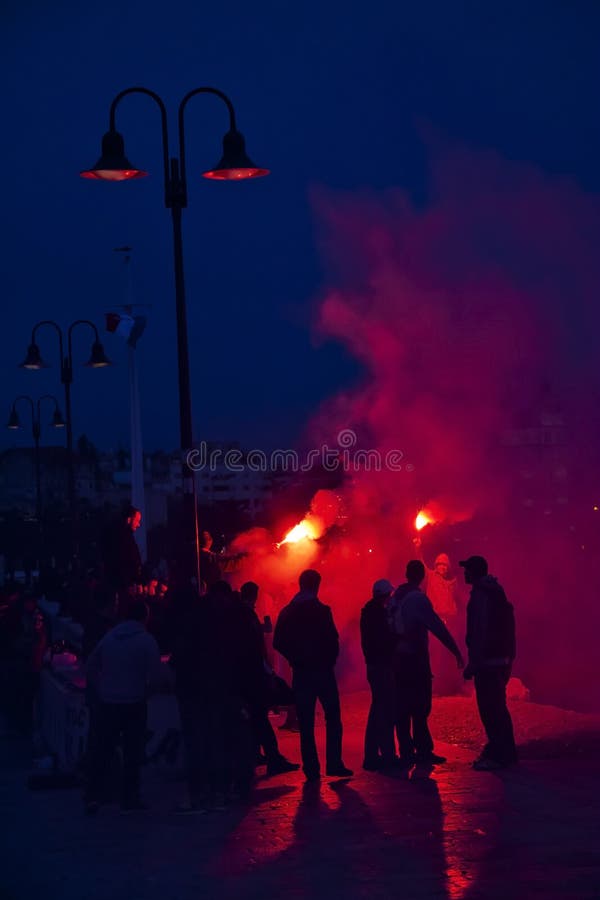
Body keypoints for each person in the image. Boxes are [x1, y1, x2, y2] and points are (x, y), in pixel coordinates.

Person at [273, 569, 352, 781]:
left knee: (306, 722)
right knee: (333, 717)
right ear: (317, 585)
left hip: (302, 672)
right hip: (323, 671)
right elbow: (332, 639)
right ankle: (334, 763)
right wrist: (330, 659)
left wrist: (295, 657)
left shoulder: (289, 611)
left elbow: (278, 641)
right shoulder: (321, 610)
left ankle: (312, 768)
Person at [84, 599, 162, 813]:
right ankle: (130, 797)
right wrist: (147, 692)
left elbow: (90, 666)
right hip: (134, 702)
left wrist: (102, 688)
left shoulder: (109, 638)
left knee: (103, 750)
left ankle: (92, 795)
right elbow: (156, 675)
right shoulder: (146, 641)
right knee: (132, 753)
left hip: (108, 702)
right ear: (145, 617)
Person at [389, 560, 464, 765]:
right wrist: (455, 650)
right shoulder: (417, 599)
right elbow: (436, 626)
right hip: (414, 658)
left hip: (397, 659)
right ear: (422, 576)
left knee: (402, 706)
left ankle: (406, 751)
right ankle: (422, 750)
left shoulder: (396, 596)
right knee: (420, 706)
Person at [460, 555, 517, 770]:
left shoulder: (482, 595)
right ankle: (506, 752)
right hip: (498, 660)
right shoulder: (494, 592)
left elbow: (480, 631)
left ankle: (499, 755)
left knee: (490, 708)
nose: (464, 573)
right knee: (498, 708)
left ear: (474, 572)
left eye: (467, 569)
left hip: (487, 662)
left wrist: (473, 664)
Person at [239, 581, 299, 776]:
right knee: (259, 717)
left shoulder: (242, 615)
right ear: (253, 595)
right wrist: (267, 670)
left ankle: (258, 754)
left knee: (256, 718)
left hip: (248, 675)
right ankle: (272, 758)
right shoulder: (247, 616)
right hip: (254, 674)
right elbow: (255, 648)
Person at [360, 579, 399, 772]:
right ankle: (386, 754)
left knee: (377, 709)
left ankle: (372, 755)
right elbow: (385, 640)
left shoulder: (368, 612)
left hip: (374, 665)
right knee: (384, 710)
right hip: (381, 665)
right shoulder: (378, 615)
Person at [102, 505, 143, 618]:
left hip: (125, 583)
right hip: (123, 584)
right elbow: (122, 560)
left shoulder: (124, 536)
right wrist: (128, 581)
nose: (138, 525)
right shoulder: (121, 537)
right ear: (129, 519)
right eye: (137, 521)